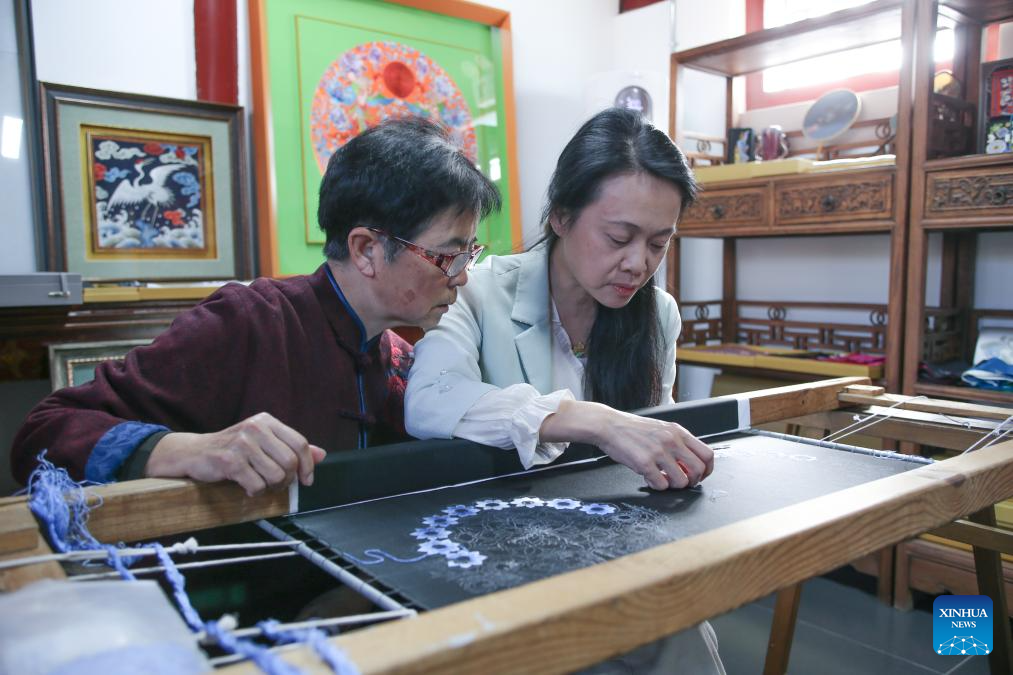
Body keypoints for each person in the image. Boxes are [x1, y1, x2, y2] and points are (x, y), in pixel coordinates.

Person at [12, 117, 500, 495]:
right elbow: (44, 431)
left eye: (469, 254)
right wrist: (185, 449)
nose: (461, 275)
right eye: (447, 255)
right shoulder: (250, 321)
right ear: (366, 249)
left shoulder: (397, 357)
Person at [404, 108, 722, 673]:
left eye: (659, 243)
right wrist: (596, 421)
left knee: (679, 632)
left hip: (613, 543)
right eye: (619, 237)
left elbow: (653, 435)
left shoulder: (658, 314)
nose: (638, 264)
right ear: (560, 215)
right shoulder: (478, 292)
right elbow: (430, 399)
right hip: (496, 544)